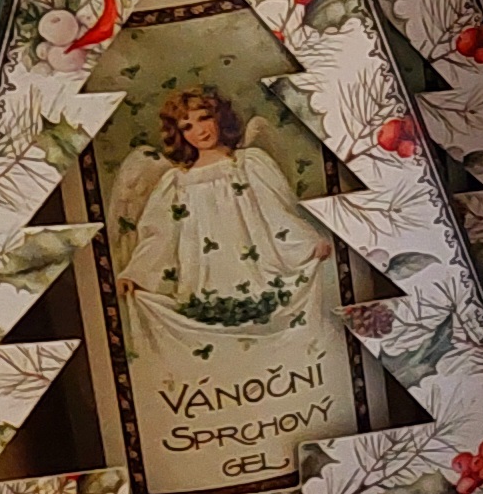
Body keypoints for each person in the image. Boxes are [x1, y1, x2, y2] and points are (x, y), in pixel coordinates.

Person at [111, 84, 334, 322]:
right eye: (187, 127)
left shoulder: (249, 164)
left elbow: (276, 213)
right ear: (179, 134)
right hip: (205, 281)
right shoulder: (177, 182)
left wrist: (306, 244)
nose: (200, 131)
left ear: (219, 117)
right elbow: (160, 235)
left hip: (258, 273)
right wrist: (135, 274)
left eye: (204, 118)